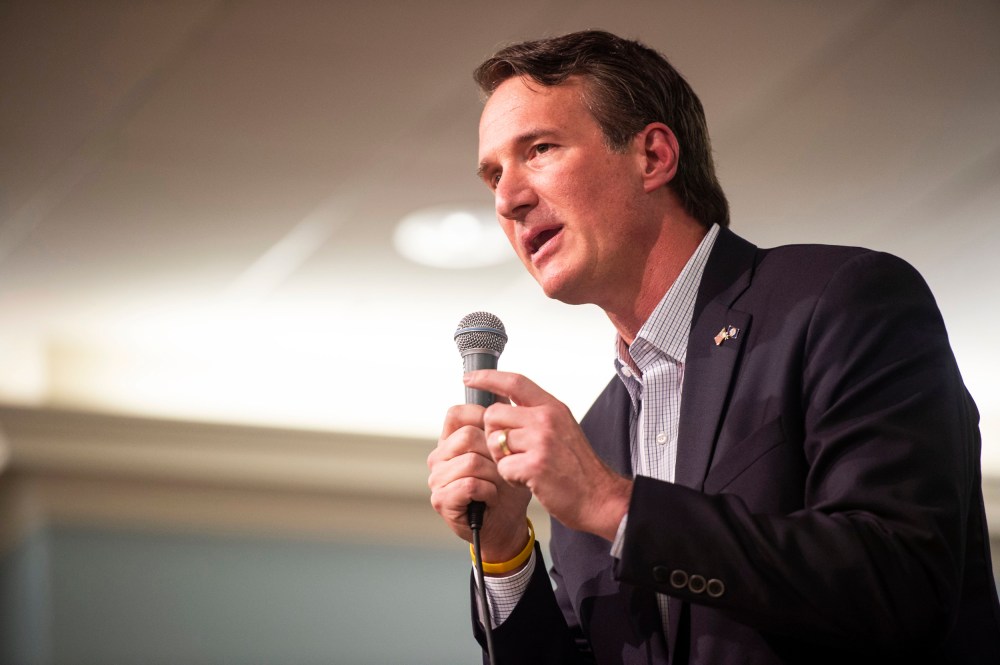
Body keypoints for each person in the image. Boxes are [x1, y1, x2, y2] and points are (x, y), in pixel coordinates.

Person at [426, 29, 1000, 664]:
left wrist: (616, 506)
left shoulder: (842, 301)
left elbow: (905, 586)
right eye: (494, 175)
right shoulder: (590, 440)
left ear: (653, 156)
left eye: (539, 150)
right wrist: (506, 550)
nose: (508, 198)